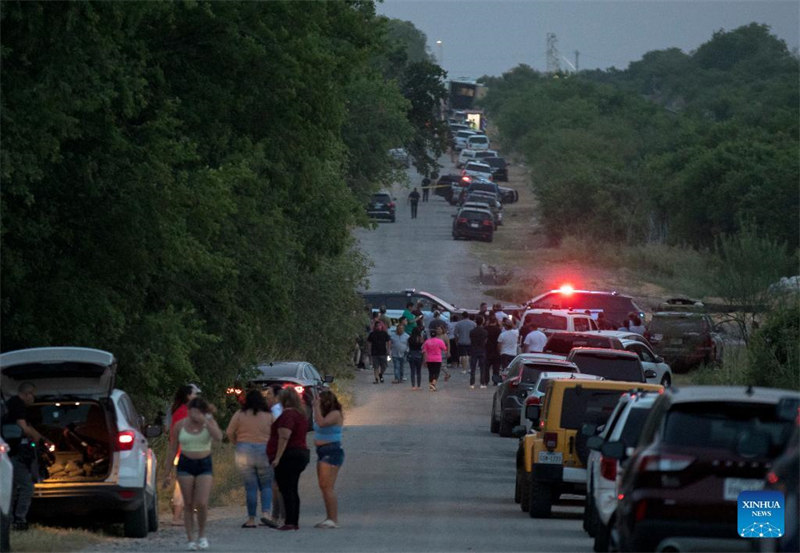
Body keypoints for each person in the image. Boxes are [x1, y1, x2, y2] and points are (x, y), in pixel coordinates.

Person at [164, 397, 223, 551]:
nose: (193, 415)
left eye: (197, 412)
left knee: (201, 502)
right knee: (188, 503)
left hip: (204, 463)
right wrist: (167, 472)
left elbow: (218, 437)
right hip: (185, 463)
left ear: (203, 412)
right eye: (191, 411)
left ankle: (202, 535)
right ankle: (191, 539)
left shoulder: (208, 423)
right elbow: (172, 449)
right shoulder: (180, 425)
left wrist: (206, 421)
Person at [3, 382, 53, 531]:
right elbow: (24, 428)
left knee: (11, 488)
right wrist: (41, 442)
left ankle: (9, 520)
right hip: (14, 454)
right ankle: (19, 519)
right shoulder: (17, 405)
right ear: (26, 394)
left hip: (10, 455)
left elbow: (30, 427)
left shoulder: (14, 405)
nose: (34, 398)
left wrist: (44, 441)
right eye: (32, 394)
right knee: (27, 487)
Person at [226, 390, 274, 529]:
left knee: (250, 487)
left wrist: (237, 442)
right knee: (266, 485)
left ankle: (251, 519)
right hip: (264, 450)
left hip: (244, 450)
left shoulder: (240, 414)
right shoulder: (268, 415)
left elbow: (229, 432)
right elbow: (275, 433)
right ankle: (266, 514)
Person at [267, 389, 310, 531]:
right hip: (301, 453)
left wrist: (277, 457)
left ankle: (289, 521)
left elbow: (284, 436)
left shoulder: (288, 415)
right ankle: (293, 520)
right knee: (292, 488)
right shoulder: (300, 414)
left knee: (286, 489)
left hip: (289, 455)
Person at [169, 383, 201, 526]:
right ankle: (177, 516)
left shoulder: (182, 410)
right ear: (188, 396)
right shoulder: (184, 411)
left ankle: (179, 515)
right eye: (194, 394)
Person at [312, 391, 344, 529]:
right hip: (322, 451)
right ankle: (328, 517)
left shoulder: (335, 414)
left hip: (332, 451)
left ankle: (333, 518)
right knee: (323, 486)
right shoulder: (323, 413)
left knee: (327, 486)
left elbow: (321, 423)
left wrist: (315, 407)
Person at [263, 386, 284, 526]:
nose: (267, 396)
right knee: (277, 484)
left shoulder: (276, 411)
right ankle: (278, 514)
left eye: (269, 394)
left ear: (276, 396)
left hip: (277, 451)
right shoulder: (276, 410)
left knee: (277, 485)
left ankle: (279, 515)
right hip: (275, 451)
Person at [422, 326, 449, 391]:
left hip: (429, 359)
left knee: (431, 372)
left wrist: (424, 360)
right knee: (437, 372)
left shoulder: (427, 342)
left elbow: (424, 351)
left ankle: (431, 386)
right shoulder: (440, 341)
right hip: (437, 359)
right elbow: (444, 348)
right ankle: (433, 384)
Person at [469, 315, 489, 388]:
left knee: (473, 367)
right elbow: (485, 341)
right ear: (482, 322)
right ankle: (482, 383)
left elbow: (471, 340)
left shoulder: (472, 331)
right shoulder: (485, 332)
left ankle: (472, 383)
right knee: (482, 367)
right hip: (482, 349)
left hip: (474, 349)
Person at [407, 326, 425, 390]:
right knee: (419, 371)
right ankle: (419, 386)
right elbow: (423, 347)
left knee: (412, 371)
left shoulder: (410, 338)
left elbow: (408, 346)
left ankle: (413, 386)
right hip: (419, 355)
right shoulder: (420, 338)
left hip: (411, 354)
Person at [485, 316, 502, 385]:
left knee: (486, 367)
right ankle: (495, 381)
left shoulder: (485, 329)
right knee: (496, 368)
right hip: (496, 350)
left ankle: (486, 380)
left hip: (487, 349)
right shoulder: (498, 330)